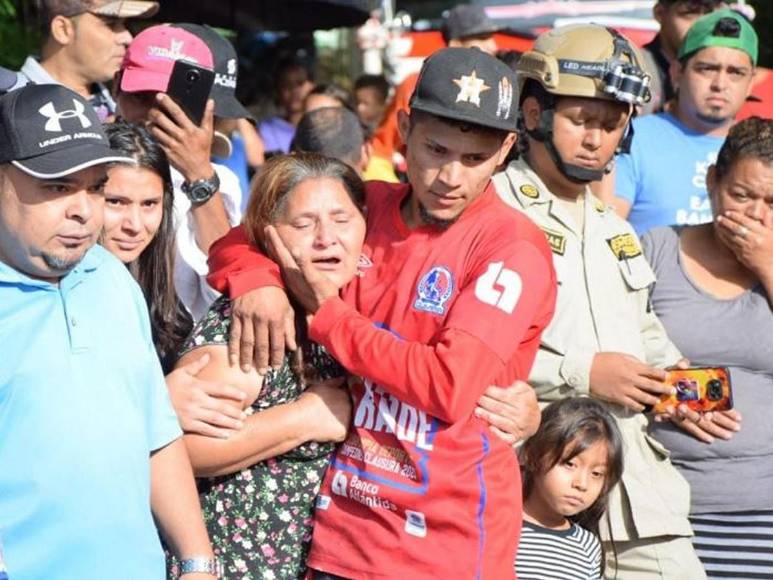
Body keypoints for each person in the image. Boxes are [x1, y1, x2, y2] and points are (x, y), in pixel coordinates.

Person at [206, 47, 556, 579]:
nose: (450, 177)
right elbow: (242, 236)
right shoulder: (364, 205)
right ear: (404, 126)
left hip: (444, 549)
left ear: (507, 148)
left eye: (474, 158)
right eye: (436, 149)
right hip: (338, 536)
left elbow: (447, 386)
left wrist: (329, 316)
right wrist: (259, 281)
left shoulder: (512, 248)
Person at [493, 24, 705, 578]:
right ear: (534, 114)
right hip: (530, 490)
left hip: (634, 497)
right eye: (581, 120)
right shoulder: (490, 210)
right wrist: (582, 373)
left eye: (611, 125)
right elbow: (461, 346)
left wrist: (673, 384)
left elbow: (645, 332)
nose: (596, 139)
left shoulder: (617, 229)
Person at [0, 83, 217, 579]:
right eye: (56, 186)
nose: (83, 209)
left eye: (95, 186)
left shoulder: (112, 277)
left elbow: (155, 434)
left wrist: (197, 559)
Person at [166, 153, 362, 579]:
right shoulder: (260, 320)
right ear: (269, 236)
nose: (327, 238)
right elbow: (181, 449)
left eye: (342, 219)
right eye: (304, 223)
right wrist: (304, 419)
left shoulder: (350, 305)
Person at [642, 117, 773, 578]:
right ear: (712, 181)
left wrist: (767, 264)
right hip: (664, 509)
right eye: (742, 195)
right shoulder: (657, 249)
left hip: (763, 511)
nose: (756, 214)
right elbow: (617, 352)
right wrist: (676, 393)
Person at [114, 24, 243, 320]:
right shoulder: (82, 164)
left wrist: (199, 176)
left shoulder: (218, 183)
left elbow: (223, 296)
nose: (154, 115)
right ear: (116, 87)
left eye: (171, 103)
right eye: (142, 97)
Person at [612, 9, 757, 235]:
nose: (720, 83)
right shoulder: (632, 139)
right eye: (707, 69)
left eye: (735, 72)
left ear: (750, 84)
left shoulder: (761, 151)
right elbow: (602, 238)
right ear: (677, 73)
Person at [369, 3, 500, 178]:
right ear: (456, 44)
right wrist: (397, 197)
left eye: (491, 37)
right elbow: (380, 151)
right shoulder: (417, 84)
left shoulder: (500, 89)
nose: (493, 46)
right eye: (482, 38)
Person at [516, 397, 624, 580]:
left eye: (596, 474)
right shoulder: (496, 525)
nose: (581, 484)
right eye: (569, 464)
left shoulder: (587, 547)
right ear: (531, 454)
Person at [18, 0, 158, 121]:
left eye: (124, 24)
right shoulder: (11, 106)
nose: (128, 38)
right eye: (111, 24)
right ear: (63, 30)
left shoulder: (125, 103)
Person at [640, 0, 728, 115]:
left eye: (709, 14)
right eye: (690, 13)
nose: (701, 27)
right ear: (660, 13)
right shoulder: (637, 69)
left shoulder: (732, 75)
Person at [259, 59, 315, 158]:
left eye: (299, 83)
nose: (294, 91)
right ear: (278, 92)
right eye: (286, 85)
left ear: (313, 85)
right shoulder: (268, 128)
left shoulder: (323, 125)